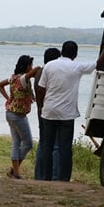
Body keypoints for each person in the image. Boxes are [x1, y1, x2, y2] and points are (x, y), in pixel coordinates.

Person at [36, 37, 104, 181]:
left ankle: (44, 178)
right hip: (67, 115)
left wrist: (41, 106)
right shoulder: (77, 67)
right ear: (75, 55)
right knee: (65, 149)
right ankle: (63, 179)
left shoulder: (49, 66)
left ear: (61, 51)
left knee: (47, 147)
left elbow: (41, 89)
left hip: (49, 112)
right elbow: (98, 64)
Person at [0, 55, 40, 179]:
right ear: (27, 66)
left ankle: (14, 172)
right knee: (28, 143)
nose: (31, 67)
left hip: (10, 113)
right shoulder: (23, 79)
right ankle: (14, 171)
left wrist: (8, 98)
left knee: (16, 143)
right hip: (18, 115)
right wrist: (39, 68)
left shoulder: (12, 77)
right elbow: (35, 70)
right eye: (30, 65)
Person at [33, 47, 61, 180]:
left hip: (41, 113)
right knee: (55, 146)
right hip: (49, 115)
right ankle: (54, 176)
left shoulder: (39, 72)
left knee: (43, 144)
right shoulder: (49, 73)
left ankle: (39, 175)